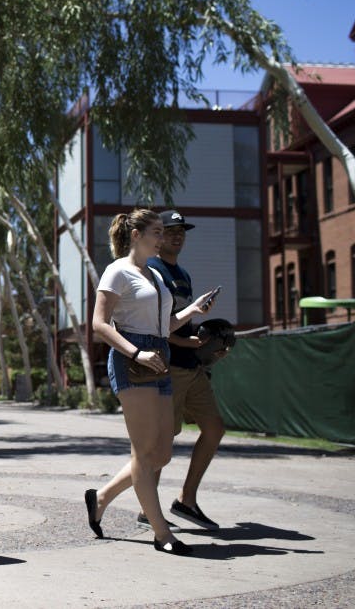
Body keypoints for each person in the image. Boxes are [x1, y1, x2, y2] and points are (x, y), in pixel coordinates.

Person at [83, 209, 216, 556]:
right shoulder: (118, 271)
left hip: (160, 358)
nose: (162, 238)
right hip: (133, 361)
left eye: (162, 232)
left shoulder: (154, 277)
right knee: (144, 452)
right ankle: (162, 534)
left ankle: (101, 498)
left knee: (161, 453)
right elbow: (99, 324)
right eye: (157, 232)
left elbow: (164, 327)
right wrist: (134, 354)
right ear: (136, 235)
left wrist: (192, 311)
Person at [142, 210, 226, 531]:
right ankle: (147, 507)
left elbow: (185, 322)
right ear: (158, 236)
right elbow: (158, 325)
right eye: (170, 231)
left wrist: (207, 346)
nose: (177, 236)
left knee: (214, 428)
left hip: (192, 365)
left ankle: (186, 501)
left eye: (182, 231)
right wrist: (188, 343)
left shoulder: (184, 274)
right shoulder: (152, 270)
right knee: (164, 441)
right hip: (169, 365)